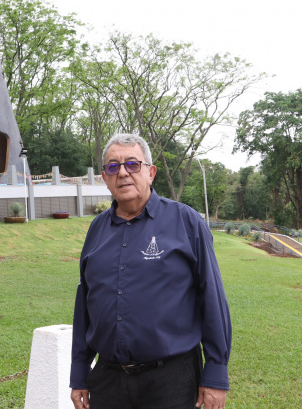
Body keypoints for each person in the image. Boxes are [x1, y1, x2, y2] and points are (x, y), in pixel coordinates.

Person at [70, 133, 231, 409]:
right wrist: (79, 371)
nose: (122, 173)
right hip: (108, 382)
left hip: (171, 380)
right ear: (104, 178)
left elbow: (212, 298)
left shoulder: (186, 222)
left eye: (132, 164)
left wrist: (216, 371)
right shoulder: (96, 230)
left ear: (151, 172)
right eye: (113, 166)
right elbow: (85, 302)